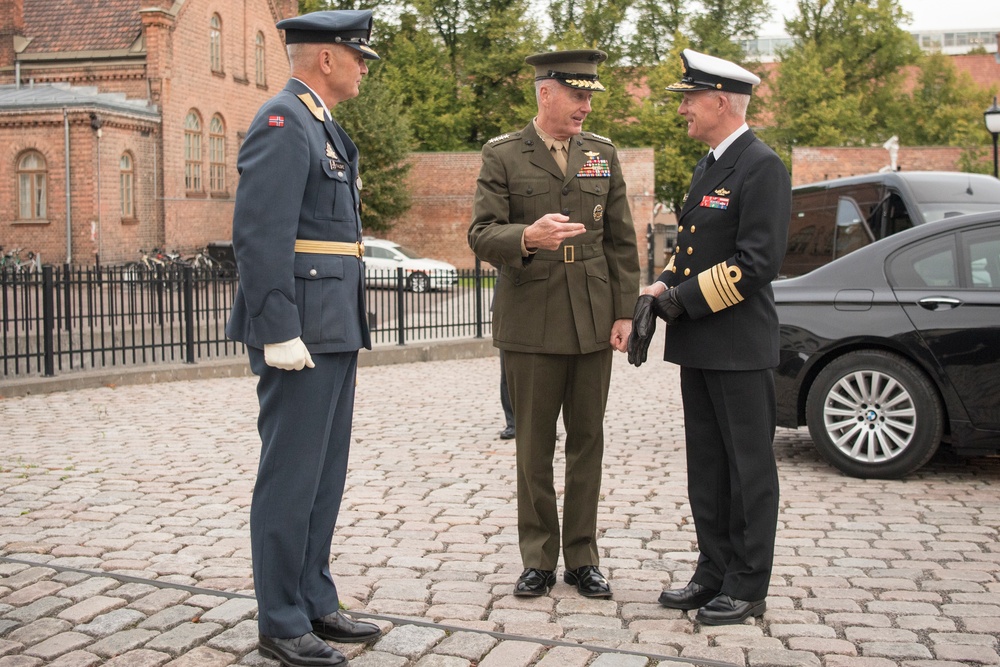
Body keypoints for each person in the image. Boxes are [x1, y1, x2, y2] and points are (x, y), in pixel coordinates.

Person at [225, 10, 383, 667]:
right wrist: (277, 328)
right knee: (290, 476)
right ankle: (280, 618)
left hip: (332, 325)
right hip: (303, 330)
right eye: (358, 55)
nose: (364, 65)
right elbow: (260, 237)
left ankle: (314, 596)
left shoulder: (321, 124)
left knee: (323, 476)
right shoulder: (284, 122)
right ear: (325, 58)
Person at [469, 49, 640, 599]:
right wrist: (525, 237)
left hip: (592, 316)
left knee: (588, 440)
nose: (586, 106)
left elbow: (621, 240)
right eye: (577, 95)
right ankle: (539, 557)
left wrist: (623, 312)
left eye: (591, 95)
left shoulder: (601, 155)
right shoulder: (503, 155)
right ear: (545, 93)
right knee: (534, 444)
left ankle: (582, 557)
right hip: (531, 316)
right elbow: (480, 233)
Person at [628, 49, 791, 625]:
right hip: (701, 345)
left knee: (748, 470)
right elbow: (691, 253)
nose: (683, 110)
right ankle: (712, 571)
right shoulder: (709, 165)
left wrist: (678, 302)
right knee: (708, 467)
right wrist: (656, 291)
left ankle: (748, 584)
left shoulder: (761, 165)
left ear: (720, 101)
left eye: (689, 100)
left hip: (739, 345)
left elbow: (756, 264)